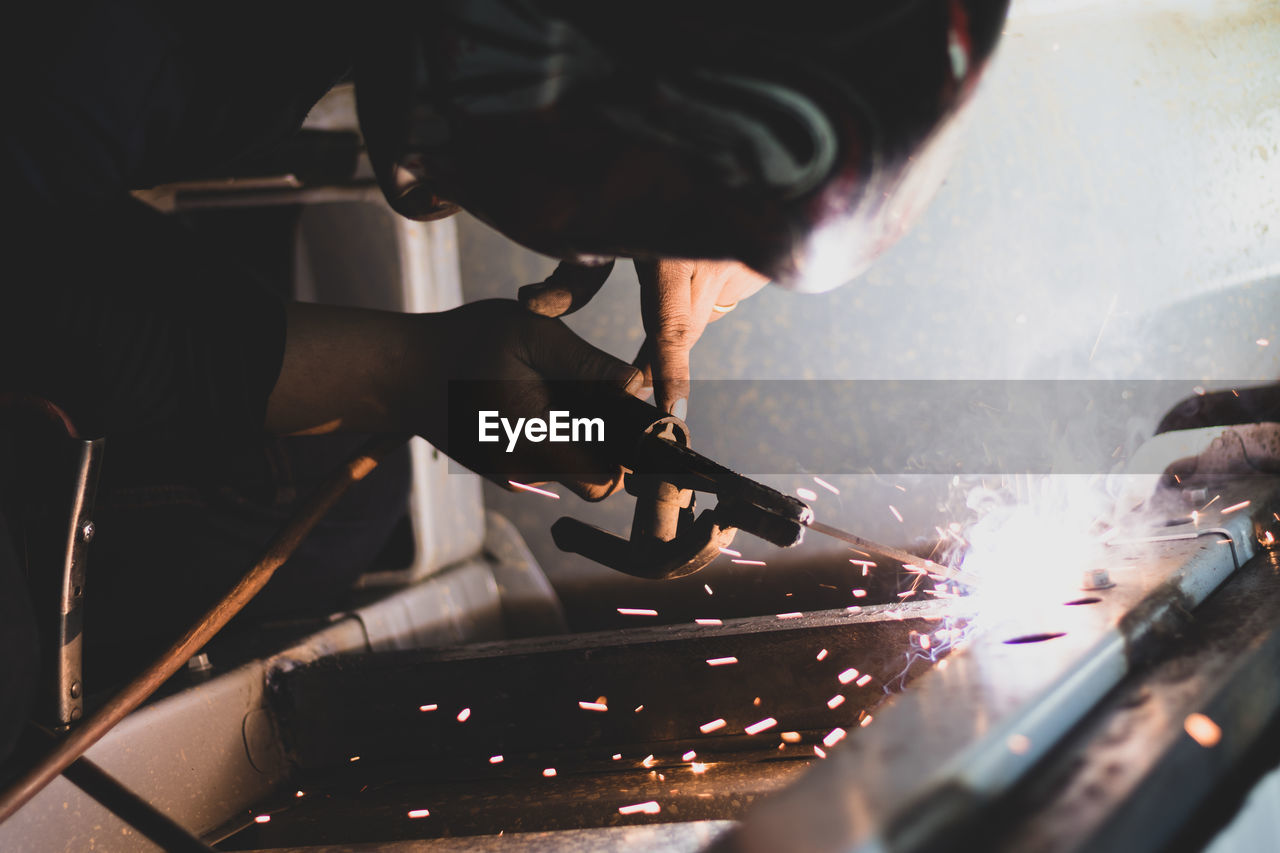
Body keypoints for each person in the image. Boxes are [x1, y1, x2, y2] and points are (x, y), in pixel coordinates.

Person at [0, 0, 1009, 763]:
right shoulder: (100, 47)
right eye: (614, 211)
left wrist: (665, 196)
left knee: (347, 506)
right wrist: (409, 374)